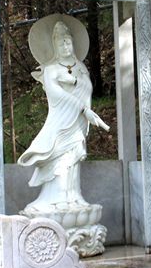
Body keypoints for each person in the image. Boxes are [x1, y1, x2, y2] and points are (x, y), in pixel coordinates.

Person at [18, 17, 109, 213]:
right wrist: (81, 105)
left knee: (74, 157)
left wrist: (79, 90)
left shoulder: (81, 68)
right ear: (54, 46)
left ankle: (73, 196)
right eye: (61, 42)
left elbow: (87, 89)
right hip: (61, 121)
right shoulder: (51, 69)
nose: (66, 45)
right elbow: (55, 93)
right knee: (59, 158)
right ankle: (55, 199)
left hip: (78, 122)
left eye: (68, 41)